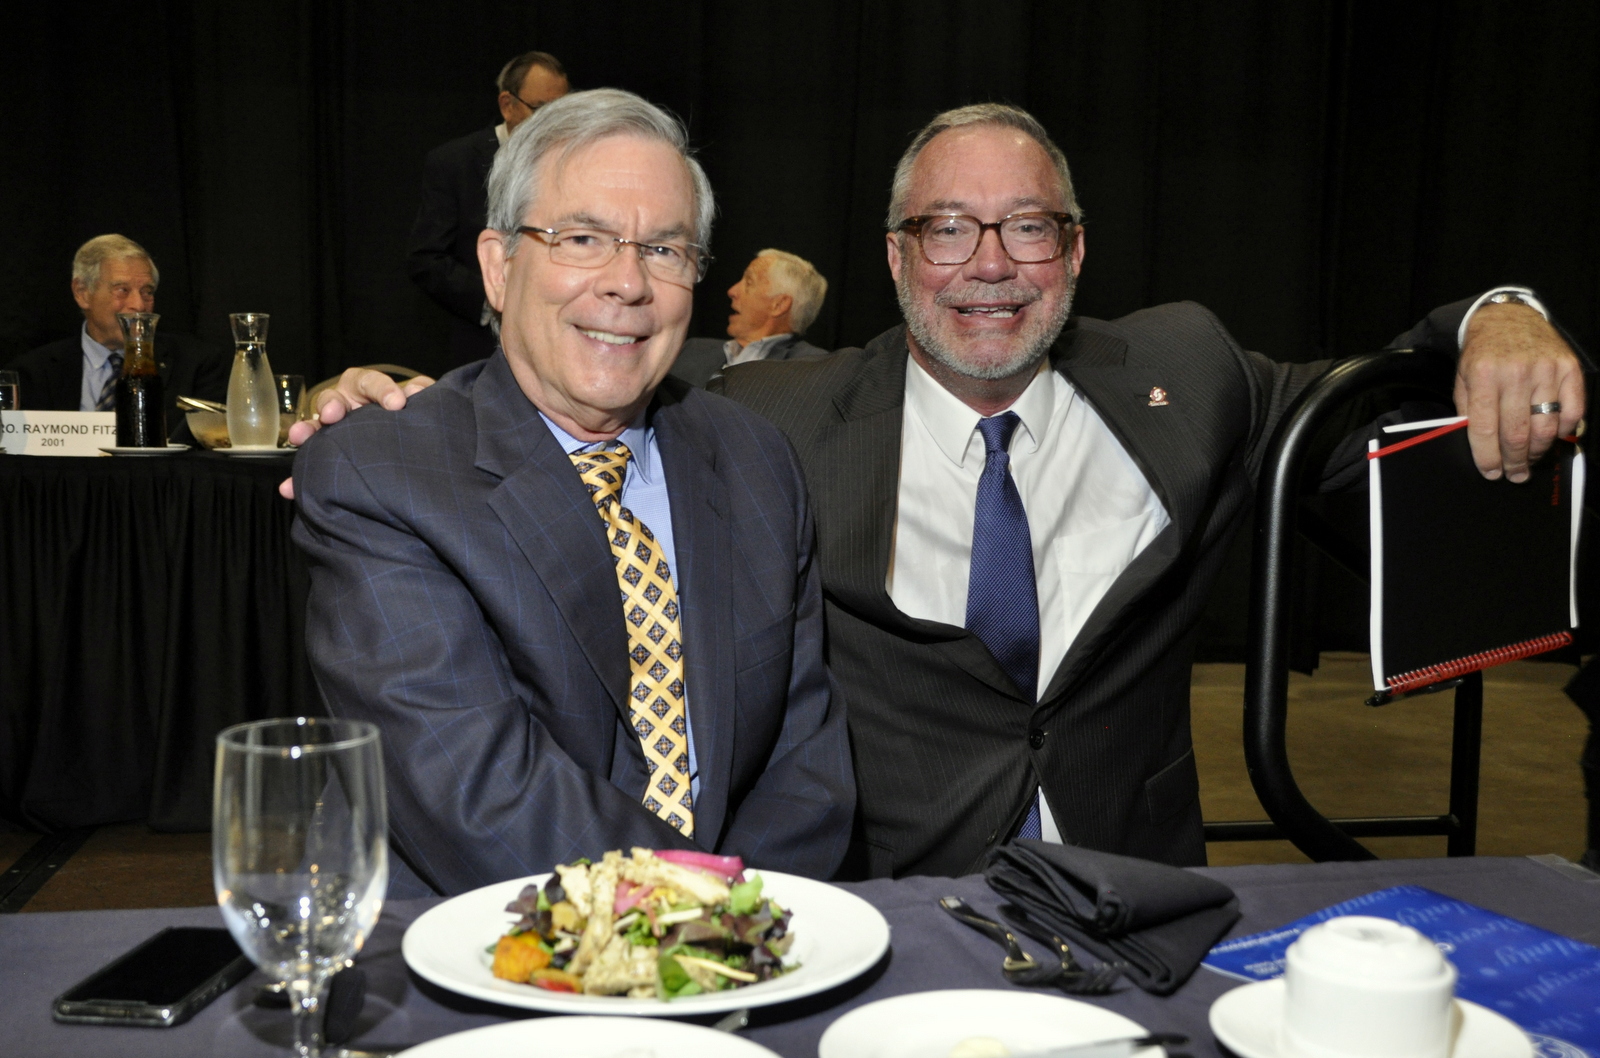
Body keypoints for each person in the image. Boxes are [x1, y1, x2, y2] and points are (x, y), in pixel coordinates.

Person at [294, 103, 1582, 880]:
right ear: (896, 256)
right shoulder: (778, 421)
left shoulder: (1186, 379)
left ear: (1074, 248)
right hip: (896, 920)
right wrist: (388, 398)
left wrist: (1497, 315)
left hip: (1135, 912)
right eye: (945, 229)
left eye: (1027, 226)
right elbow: (588, 365)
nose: (988, 265)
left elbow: (1359, 405)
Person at [293, 89, 854, 896]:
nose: (628, 283)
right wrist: (709, 911)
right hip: (483, 946)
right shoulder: (382, 472)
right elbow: (479, 797)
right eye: (583, 239)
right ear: (498, 267)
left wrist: (757, 932)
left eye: (664, 249)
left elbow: (806, 769)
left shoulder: (756, 459)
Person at [407, 51, 571, 368]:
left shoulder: (572, 164)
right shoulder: (455, 162)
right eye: (542, 110)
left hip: (555, 342)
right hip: (477, 343)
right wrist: (495, 300)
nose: (553, 124)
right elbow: (426, 258)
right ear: (507, 105)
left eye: (562, 111)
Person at [6, 235, 227, 440]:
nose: (139, 305)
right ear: (82, 293)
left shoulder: (197, 365)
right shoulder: (33, 374)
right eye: (122, 290)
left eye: (147, 292)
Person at [668, 248, 830, 387]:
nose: (732, 291)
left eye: (749, 282)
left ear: (779, 305)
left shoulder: (812, 368)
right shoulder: (693, 350)